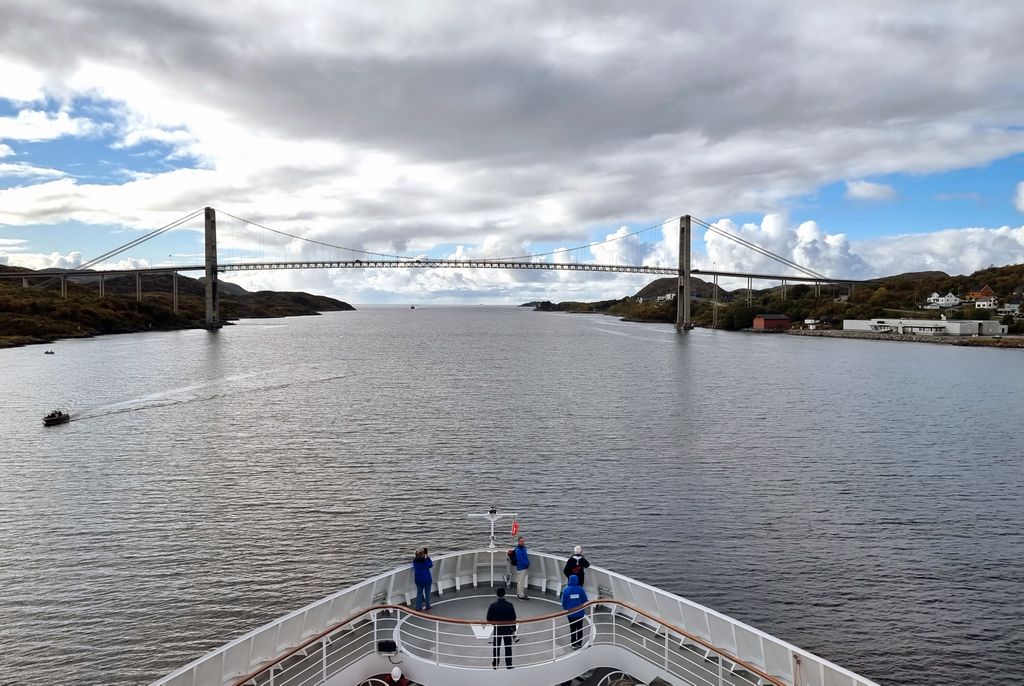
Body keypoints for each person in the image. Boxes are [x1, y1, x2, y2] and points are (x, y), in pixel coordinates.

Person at [486, 587, 517, 669]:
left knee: (496, 647)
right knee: (508, 647)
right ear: (504, 594)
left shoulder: (492, 605)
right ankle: (509, 665)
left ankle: (495, 664)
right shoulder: (509, 605)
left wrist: (494, 624)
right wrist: (513, 629)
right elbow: (513, 618)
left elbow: (488, 618)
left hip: (497, 629)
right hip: (507, 629)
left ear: (497, 594)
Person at [560, 574, 588, 650]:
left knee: (572, 628)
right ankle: (579, 643)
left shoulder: (566, 590)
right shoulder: (581, 590)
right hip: (580, 613)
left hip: (570, 614)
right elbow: (585, 600)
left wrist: (566, 608)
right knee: (579, 628)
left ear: (569, 580)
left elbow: (563, 602)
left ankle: (573, 644)